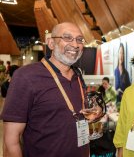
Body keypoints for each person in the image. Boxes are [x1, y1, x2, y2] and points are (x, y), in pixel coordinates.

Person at [1, 22, 103, 157]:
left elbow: (72, 113)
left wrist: (97, 113)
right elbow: (11, 142)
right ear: (50, 43)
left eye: (79, 39)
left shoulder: (77, 75)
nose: (75, 44)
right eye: (67, 37)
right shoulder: (26, 76)